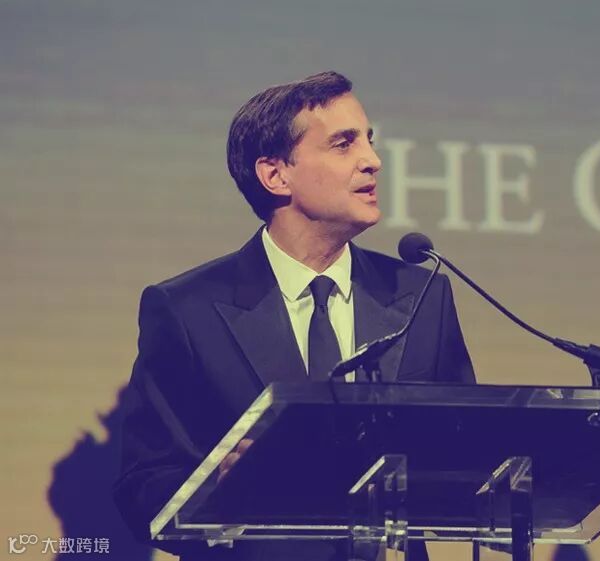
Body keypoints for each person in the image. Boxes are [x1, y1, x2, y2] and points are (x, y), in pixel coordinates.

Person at [113, 71, 475, 561]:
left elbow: (467, 457)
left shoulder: (422, 295)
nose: (372, 160)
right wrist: (218, 488)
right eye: (344, 144)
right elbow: (143, 486)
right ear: (275, 175)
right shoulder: (186, 310)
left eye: (368, 141)